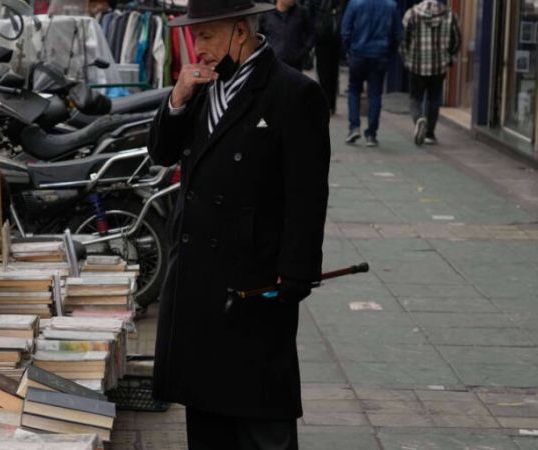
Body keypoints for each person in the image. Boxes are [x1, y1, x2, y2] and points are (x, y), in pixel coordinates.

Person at [149, 0, 331, 448]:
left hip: (254, 280)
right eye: (196, 37)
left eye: (207, 36)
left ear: (241, 32)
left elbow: (308, 194)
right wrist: (176, 100)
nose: (199, 48)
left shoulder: (293, 93)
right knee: (207, 417)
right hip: (197, 279)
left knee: (260, 415)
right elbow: (161, 153)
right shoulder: (201, 86)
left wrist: (294, 276)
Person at [341, 0, 403, 147]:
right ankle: (371, 134)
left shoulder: (355, 3)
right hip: (380, 54)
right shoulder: (390, 5)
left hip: (358, 53)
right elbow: (398, 33)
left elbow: (345, 31)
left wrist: (350, 50)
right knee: (375, 94)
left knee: (354, 90)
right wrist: (389, 52)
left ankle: (354, 126)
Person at [401, 0, 461, 145]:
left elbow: (404, 40)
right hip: (439, 66)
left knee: (415, 98)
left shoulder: (412, 14)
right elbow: (457, 41)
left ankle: (418, 119)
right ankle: (430, 134)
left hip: (416, 65)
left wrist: (406, 57)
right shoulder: (450, 15)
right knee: (434, 99)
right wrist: (449, 57)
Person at [307, 0, 347, 115]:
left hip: (324, 37)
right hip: (334, 37)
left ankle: (327, 104)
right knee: (332, 72)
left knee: (324, 72)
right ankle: (331, 104)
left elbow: (312, 11)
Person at [259, 0, 317, 71]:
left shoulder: (302, 13)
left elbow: (312, 32)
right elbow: (259, 36)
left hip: (295, 64)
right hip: (273, 64)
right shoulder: (266, 14)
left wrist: (304, 51)